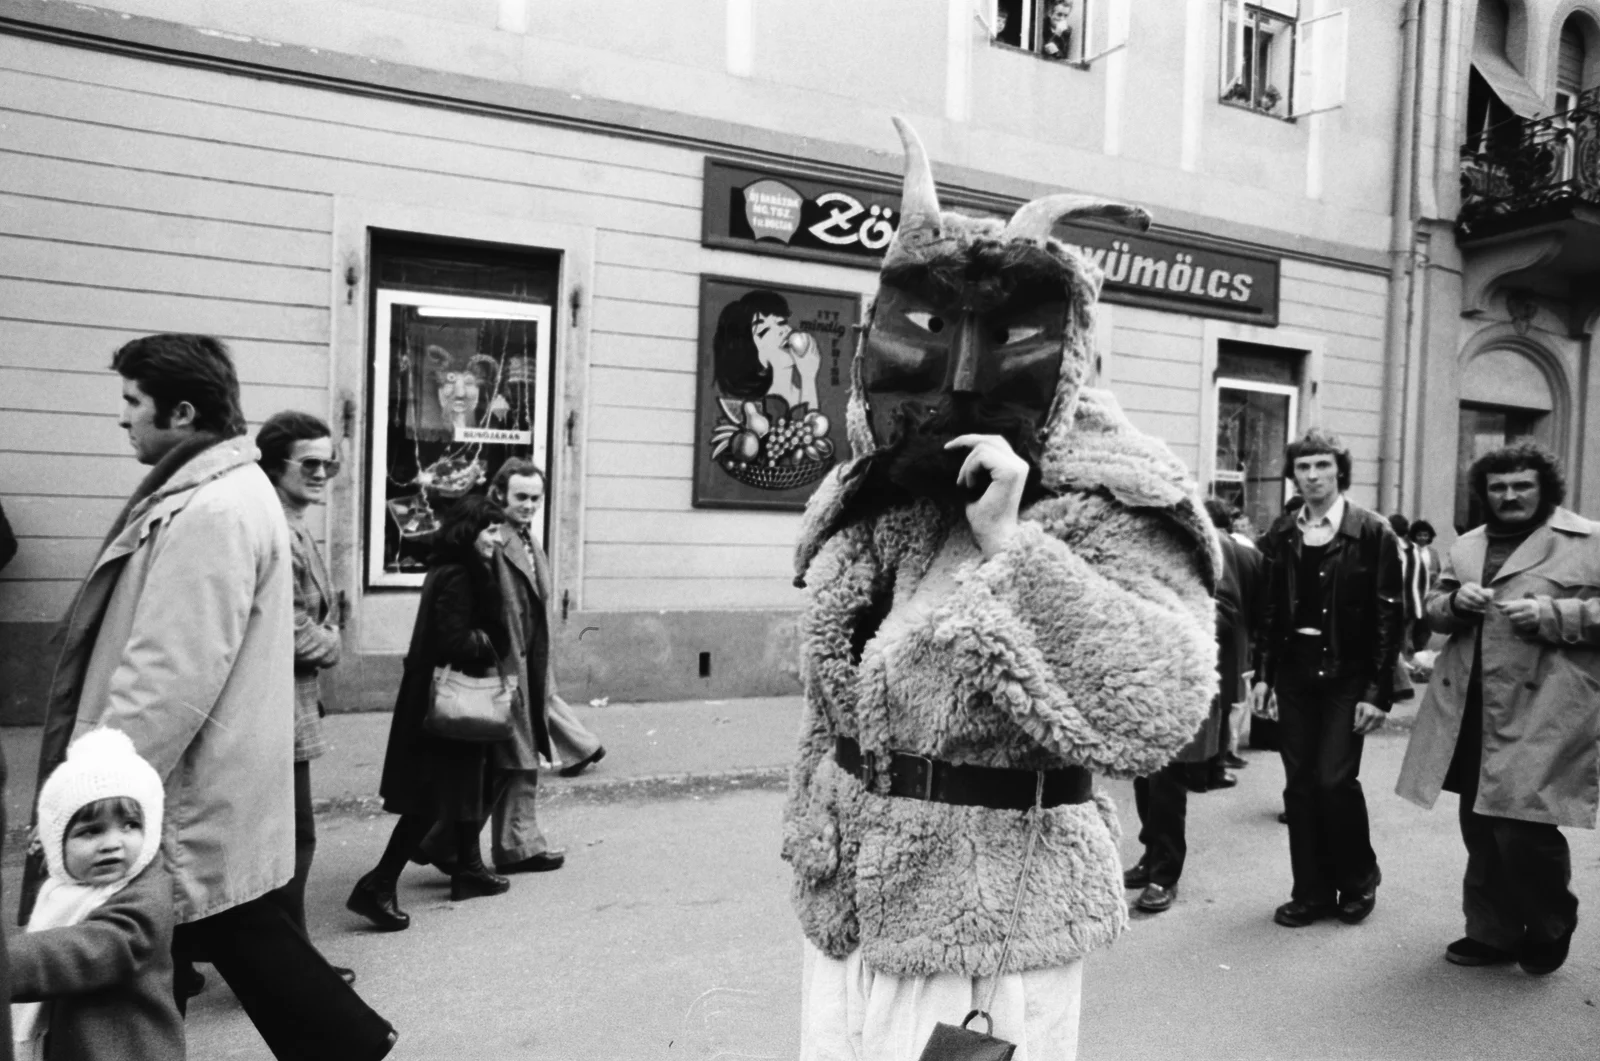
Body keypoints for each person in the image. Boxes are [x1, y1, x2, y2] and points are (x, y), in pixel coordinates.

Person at [786, 119, 1216, 1060]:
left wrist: (1011, 551)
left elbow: (1163, 704)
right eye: (926, 329)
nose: (959, 367)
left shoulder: (1112, 490)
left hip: (990, 935)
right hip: (849, 911)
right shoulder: (881, 491)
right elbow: (834, 707)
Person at [33, 333, 394, 1060]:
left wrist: (94, 794)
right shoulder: (222, 493)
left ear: (182, 412)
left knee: (186, 940)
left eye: (133, 401)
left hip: (183, 791)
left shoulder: (214, 507)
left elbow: (167, 673)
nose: (123, 417)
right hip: (202, 788)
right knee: (218, 938)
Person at [1396, 441, 1600, 976]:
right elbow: (1434, 610)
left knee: (1522, 826)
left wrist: (1555, 614)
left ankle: (1551, 921)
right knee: (1480, 823)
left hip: (1547, 705)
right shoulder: (1468, 544)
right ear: (1484, 492)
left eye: (1522, 485)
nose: (1509, 496)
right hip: (1471, 705)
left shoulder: (1590, 539)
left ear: (1545, 488)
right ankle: (1492, 931)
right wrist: (1453, 604)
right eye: (1498, 487)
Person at [349, 495, 527, 929]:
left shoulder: (455, 567)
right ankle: (378, 884)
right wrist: (492, 640)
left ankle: (469, 868)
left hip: (448, 698)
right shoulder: (461, 574)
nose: (496, 538)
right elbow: (453, 641)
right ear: (469, 531)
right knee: (432, 798)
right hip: (449, 702)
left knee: (469, 784)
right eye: (489, 530)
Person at [1251, 429, 1403, 928]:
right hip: (1294, 672)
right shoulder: (1282, 532)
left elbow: (1388, 616)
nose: (1313, 475)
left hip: (1346, 673)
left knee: (1334, 781)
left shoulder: (1372, 532)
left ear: (1340, 471)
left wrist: (1377, 692)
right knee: (1299, 787)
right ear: (1293, 474)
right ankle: (1311, 892)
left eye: (1322, 465)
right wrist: (1263, 676)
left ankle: (1359, 879)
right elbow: (1269, 612)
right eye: (1303, 466)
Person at [415, 459, 593, 875]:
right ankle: (451, 841)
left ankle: (505, 844)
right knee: (509, 761)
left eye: (536, 498)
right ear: (499, 494)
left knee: (515, 760)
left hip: (528, 667)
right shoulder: (494, 538)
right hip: (503, 668)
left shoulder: (527, 538)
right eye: (521, 497)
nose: (529, 505)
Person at [254, 411, 354, 985]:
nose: (322, 474)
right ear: (274, 464)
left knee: (285, 838)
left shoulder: (292, 522)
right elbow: (292, 632)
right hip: (275, 708)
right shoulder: (277, 528)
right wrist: (333, 641)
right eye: (310, 463)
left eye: (329, 465)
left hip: (287, 705)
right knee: (292, 839)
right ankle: (290, 969)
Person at [10, 728, 182, 1061]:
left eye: (130, 825)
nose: (112, 843)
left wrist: (8, 963)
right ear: (58, 845)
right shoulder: (71, 882)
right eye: (91, 831)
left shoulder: (145, 899)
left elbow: (92, 948)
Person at [1123, 500, 1248, 915]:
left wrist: (1173, 623)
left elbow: (1227, 610)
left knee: (1167, 783)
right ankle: (1150, 855)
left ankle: (1164, 874)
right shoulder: (1137, 545)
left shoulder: (1206, 547)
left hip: (1181, 679)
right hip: (1142, 681)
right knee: (1144, 777)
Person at [712, 289, 821, 411]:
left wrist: (808, 376)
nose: (782, 331)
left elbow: (812, 421)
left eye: (781, 322)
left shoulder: (806, 393)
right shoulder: (752, 409)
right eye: (764, 331)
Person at [1407, 518, 1441, 652]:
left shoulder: (1433, 553)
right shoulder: (1410, 551)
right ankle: (1410, 644)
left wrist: (1433, 576)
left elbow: (1438, 570)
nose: (1422, 538)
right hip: (1414, 590)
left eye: (1425, 535)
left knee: (1426, 621)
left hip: (1429, 590)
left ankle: (1422, 646)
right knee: (1413, 619)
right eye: (1419, 535)